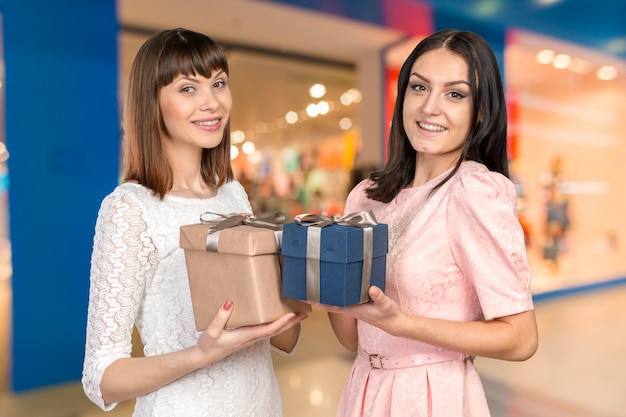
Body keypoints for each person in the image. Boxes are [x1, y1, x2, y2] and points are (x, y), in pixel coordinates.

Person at [81, 28, 307, 416]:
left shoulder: (232, 194)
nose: (212, 102)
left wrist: (297, 278)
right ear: (151, 102)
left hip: (261, 403)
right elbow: (101, 378)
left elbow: (285, 337)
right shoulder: (129, 209)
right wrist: (201, 354)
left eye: (219, 83)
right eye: (188, 88)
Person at [319, 29, 538, 416]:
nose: (429, 108)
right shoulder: (366, 196)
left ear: (481, 110)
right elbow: (353, 339)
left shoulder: (473, 190)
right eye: (419, 88)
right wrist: (325, 289)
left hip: (434, 396)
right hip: (364, 390)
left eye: (455, 94)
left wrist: (402, 323)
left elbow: (521, 339)